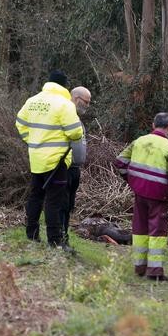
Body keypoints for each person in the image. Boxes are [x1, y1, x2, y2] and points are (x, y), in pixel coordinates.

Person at [16, 70, 83, 251]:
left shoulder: (32, 101)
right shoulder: (64, 104)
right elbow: (76, 132)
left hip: (36, 158)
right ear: (64, 86)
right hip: (57, 160)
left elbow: (20, 122)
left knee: (35, 196)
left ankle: (32, 234)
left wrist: (30, 139)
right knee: (54, 201)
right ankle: (55, 241)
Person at [114, 113, 168, 281]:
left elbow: (120, 161)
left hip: (140, 193)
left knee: (139, 229)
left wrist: (131, 180)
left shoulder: (139, 141)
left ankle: (139, 267)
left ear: (153, 125)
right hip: (159, 196)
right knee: (157, 232)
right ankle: (155, 272)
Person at [63, 86, 91, 244]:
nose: (87, 106)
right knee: (63, 203)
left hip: (75, 169)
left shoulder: (77, 119)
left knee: (69, 204)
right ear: (76, 98)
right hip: (65, 168)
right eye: (86, 102)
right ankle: (59, 236)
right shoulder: (65, 115)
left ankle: (64, 234)